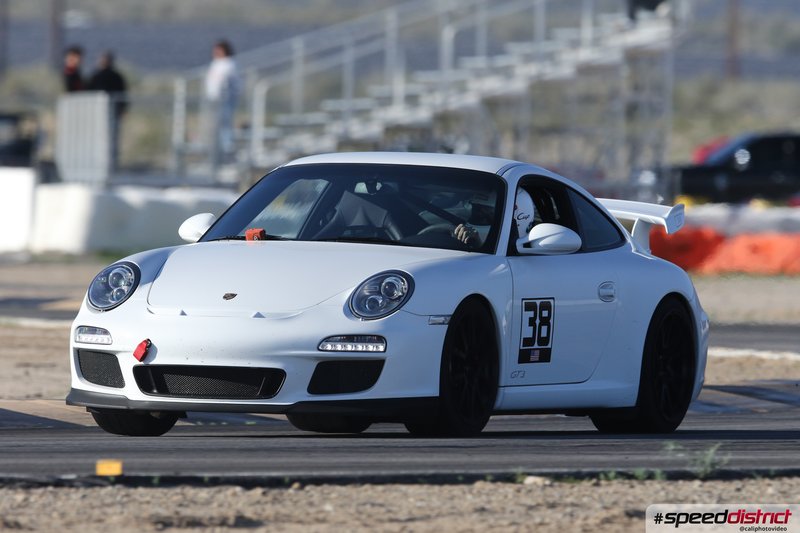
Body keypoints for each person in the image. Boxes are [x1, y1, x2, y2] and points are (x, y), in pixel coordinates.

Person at [87, 51, 128, 170]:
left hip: (113, 115)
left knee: (111, 142)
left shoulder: (116, 77)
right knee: (97, 141)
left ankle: (111, 167)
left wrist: (122, 110)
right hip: (97, 115)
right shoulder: (96, 76)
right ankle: (98, 166)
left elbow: (123, 94)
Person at [454, 187, 535, 248]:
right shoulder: (456, 228)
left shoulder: (529, 254)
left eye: (487, 210)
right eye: (476, 209)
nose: (479, 214)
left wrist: (478, 245)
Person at [204, 39, 240, 169]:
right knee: (215, 128)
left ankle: (227, 153)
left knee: (225, 127)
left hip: (224, 100)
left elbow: (231, 83)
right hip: (213, 100)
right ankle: (216, 155)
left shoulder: (229, 64)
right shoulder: (216, 63)